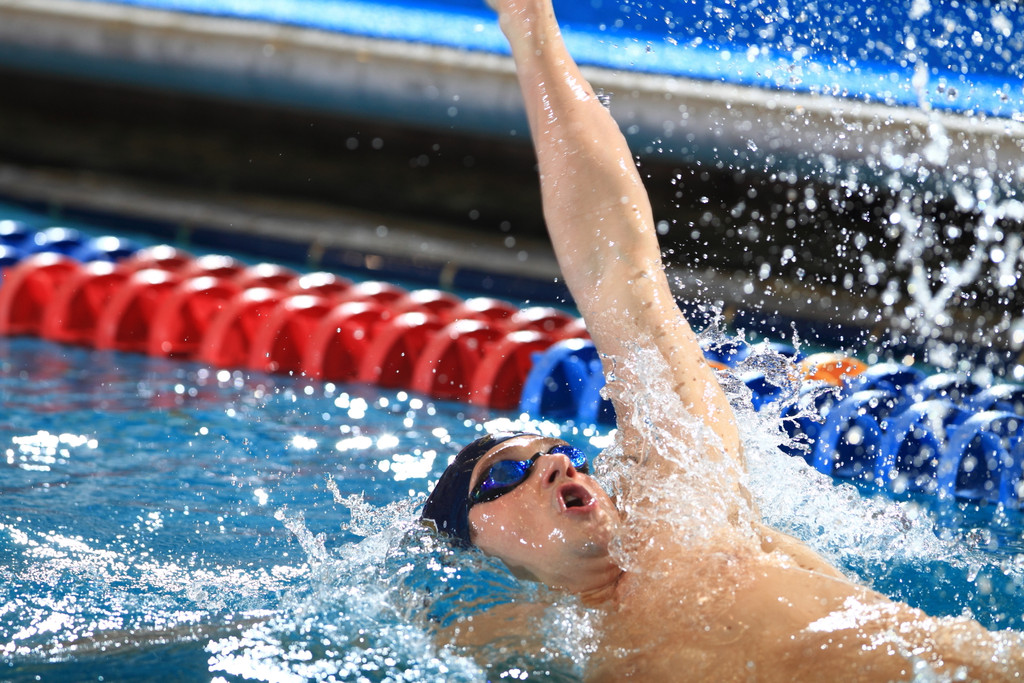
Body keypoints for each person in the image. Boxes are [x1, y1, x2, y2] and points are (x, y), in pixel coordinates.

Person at [421, 0, 1024, 679]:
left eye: (560, 450)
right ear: (474, 549)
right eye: (507, 474)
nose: (558, 466)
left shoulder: (684, 516)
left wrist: (530, 23)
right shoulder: (568, 653)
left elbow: (617, 265)